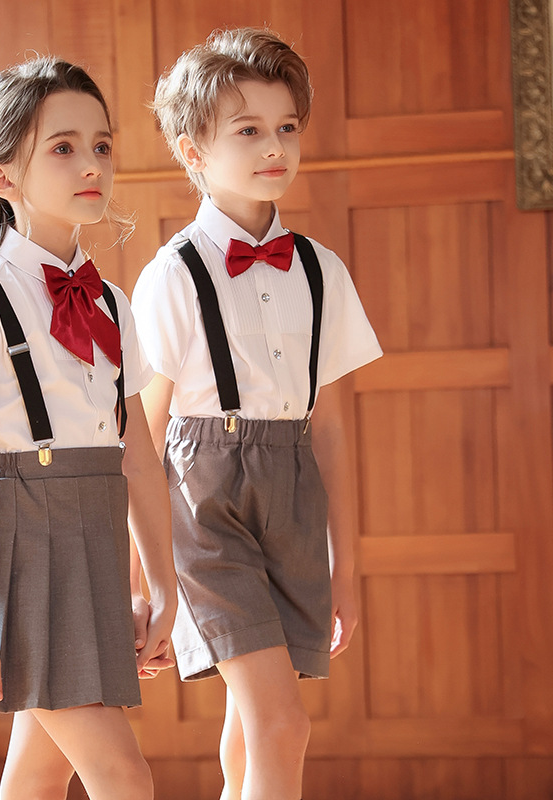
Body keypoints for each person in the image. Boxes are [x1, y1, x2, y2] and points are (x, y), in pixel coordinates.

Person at [0, 57, 176, 800]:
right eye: (62, 147)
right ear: (2, 177)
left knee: (37, 776)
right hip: (21, 558)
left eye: (102, 145)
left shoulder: (114, 303)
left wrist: (162, 584)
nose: (91, 164)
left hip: (93, 545)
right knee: (125, 777)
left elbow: (139, 460)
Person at [132, 28, 383, 800]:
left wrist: (345, 565)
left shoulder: (323, 270)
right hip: (204, 502)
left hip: (294, 492)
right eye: (248, 131)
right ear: (193, 151)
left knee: (251, 728)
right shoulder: (172, 274)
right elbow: (141, 435)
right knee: (282, 725)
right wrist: (141, 580)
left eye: (287, 127)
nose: (275, 146)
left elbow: (329, 428)